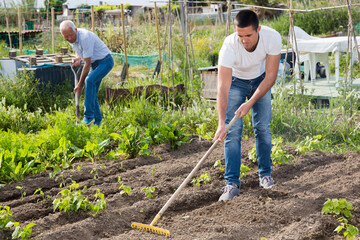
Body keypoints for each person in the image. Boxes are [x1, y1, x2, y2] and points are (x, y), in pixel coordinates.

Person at [213, 10, 281, 201]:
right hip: (236, 82)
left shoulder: (272, 37)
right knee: (232, 132)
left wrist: (249, 103)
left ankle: (265, 175)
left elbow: (271, 77)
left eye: (248, 35)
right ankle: (231, 184)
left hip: (261, 80)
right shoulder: (229, 46)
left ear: (258, 29)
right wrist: (221, 124)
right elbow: (222, 87)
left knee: (262, 128)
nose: (244, 40)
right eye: (240, 35)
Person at [60, 20, 114, 127]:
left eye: (71, 35)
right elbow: (78, 50)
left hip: (105, 61)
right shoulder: (71, 37)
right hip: (95, 63)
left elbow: (87, 64)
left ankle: (88, 117)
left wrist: (79, 85)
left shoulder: (84, 37)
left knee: (89, 80)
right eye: (66, 36)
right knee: (92, 92)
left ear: (75, 30)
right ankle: (97, 122)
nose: (69, 38)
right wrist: (78, 57)